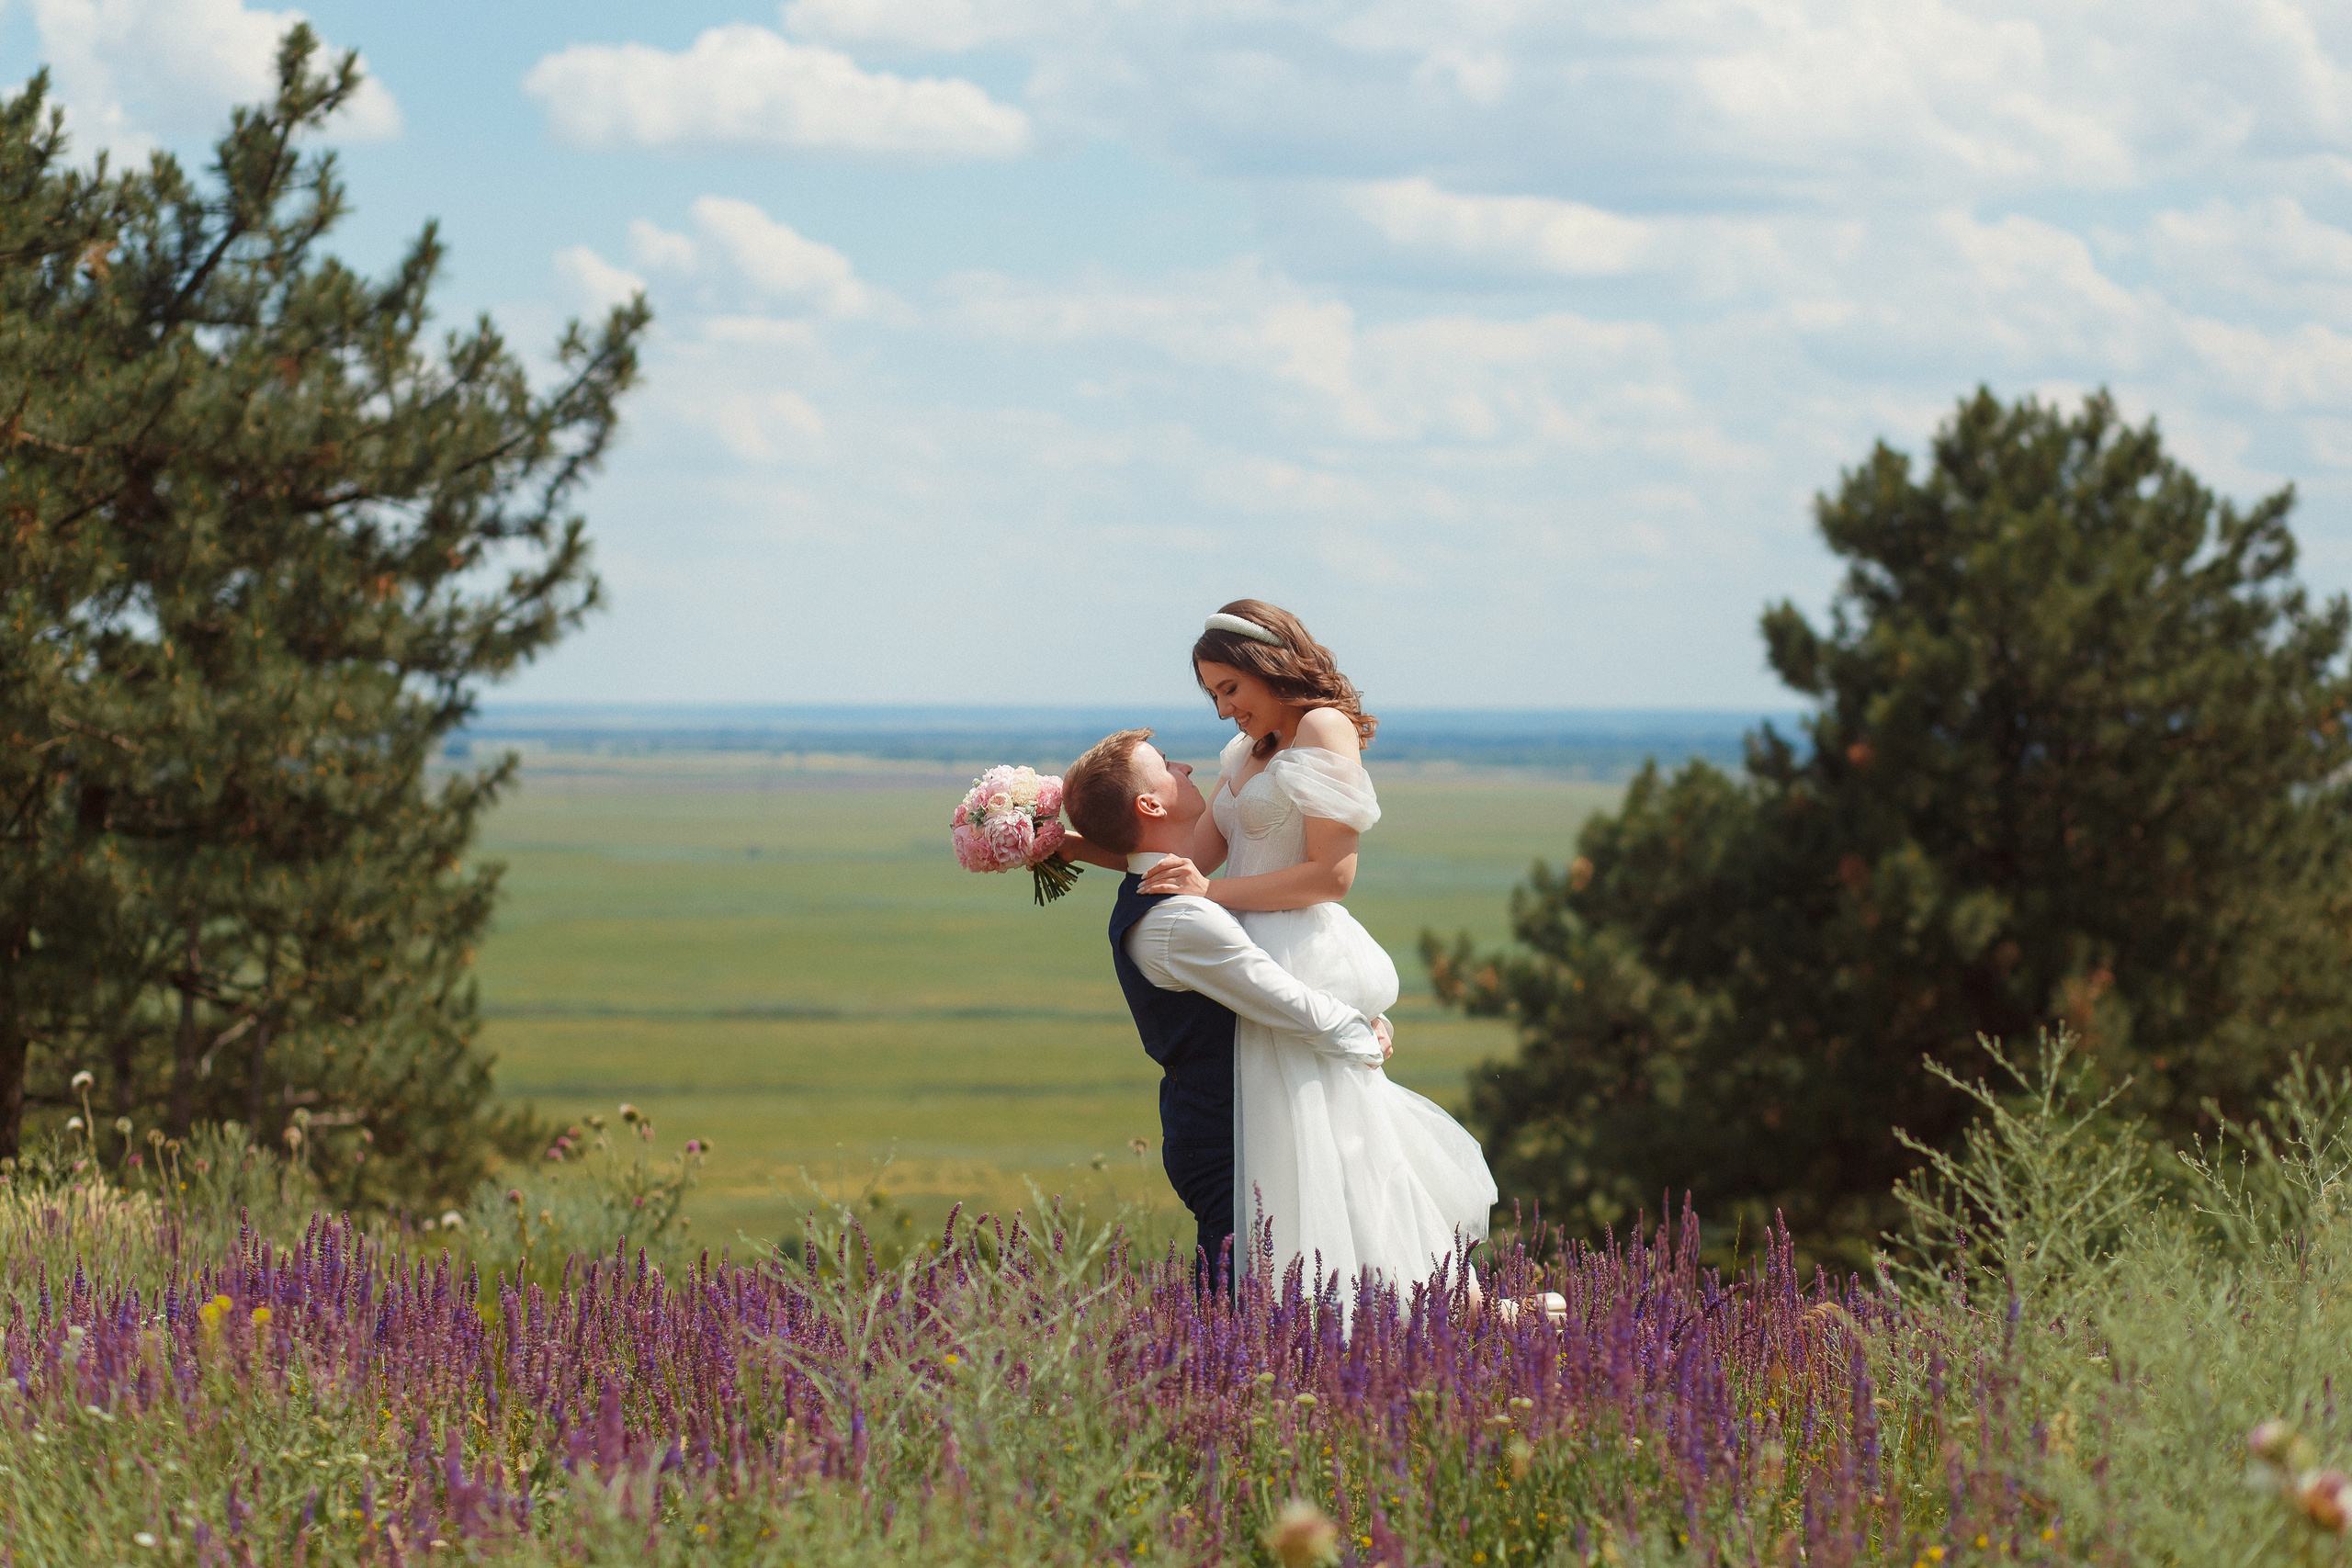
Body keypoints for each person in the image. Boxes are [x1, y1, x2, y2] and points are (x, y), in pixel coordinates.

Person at [1065, 602, 1560, 1322]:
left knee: (1349, 1152)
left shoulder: (1324, 727)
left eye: (1230, 686)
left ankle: (1435, 1314)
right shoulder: (1246, 755)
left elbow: (1332, 874)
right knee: (1303, 1163)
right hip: (1250, 954)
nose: (1223, 709)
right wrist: (1073, 842)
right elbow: (1178, 860)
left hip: (1297, 945)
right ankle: (1399, 1320)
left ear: (1269, 664)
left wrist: (1216, 892)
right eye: (1213, 695)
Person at [1059, 726, 1389, 1288]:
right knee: (1240, 1306)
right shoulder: (1180, 919)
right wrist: (1364, 1036)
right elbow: (1276, 996)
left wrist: (1066, 842)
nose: (1184, 768)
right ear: (1150, 803)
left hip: (1232, 1122)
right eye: (1165, 764)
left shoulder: (1168, 899)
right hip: (1224, 1134)